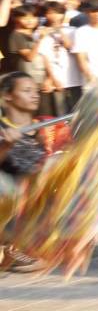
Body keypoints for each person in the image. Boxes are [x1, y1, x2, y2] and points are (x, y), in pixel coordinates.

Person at [0, 72, 46, 272]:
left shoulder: (50, 126)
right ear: (7, 96)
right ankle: (8, 248)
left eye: (36, 91)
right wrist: (6, 145)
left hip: (39, 196)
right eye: (27, 91)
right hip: (12, 196)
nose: (35, 95)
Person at [36, 1, 80, 116]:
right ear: (45, 15)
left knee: (78, 111)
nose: (54, 16)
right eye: (50, 13)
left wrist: (60, 30)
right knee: (61, 113)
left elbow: (70, 47)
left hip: (74, 77)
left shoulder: (72, 30)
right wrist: (52, 78)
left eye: (58, 13)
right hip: (56, 79)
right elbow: (44, 57)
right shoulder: (40, 32)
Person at [71, 0, 98, 92]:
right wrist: (90, 77)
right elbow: (81, 58)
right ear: (87, 13)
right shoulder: (81, 32)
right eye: (94, 11)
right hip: (92, 82)